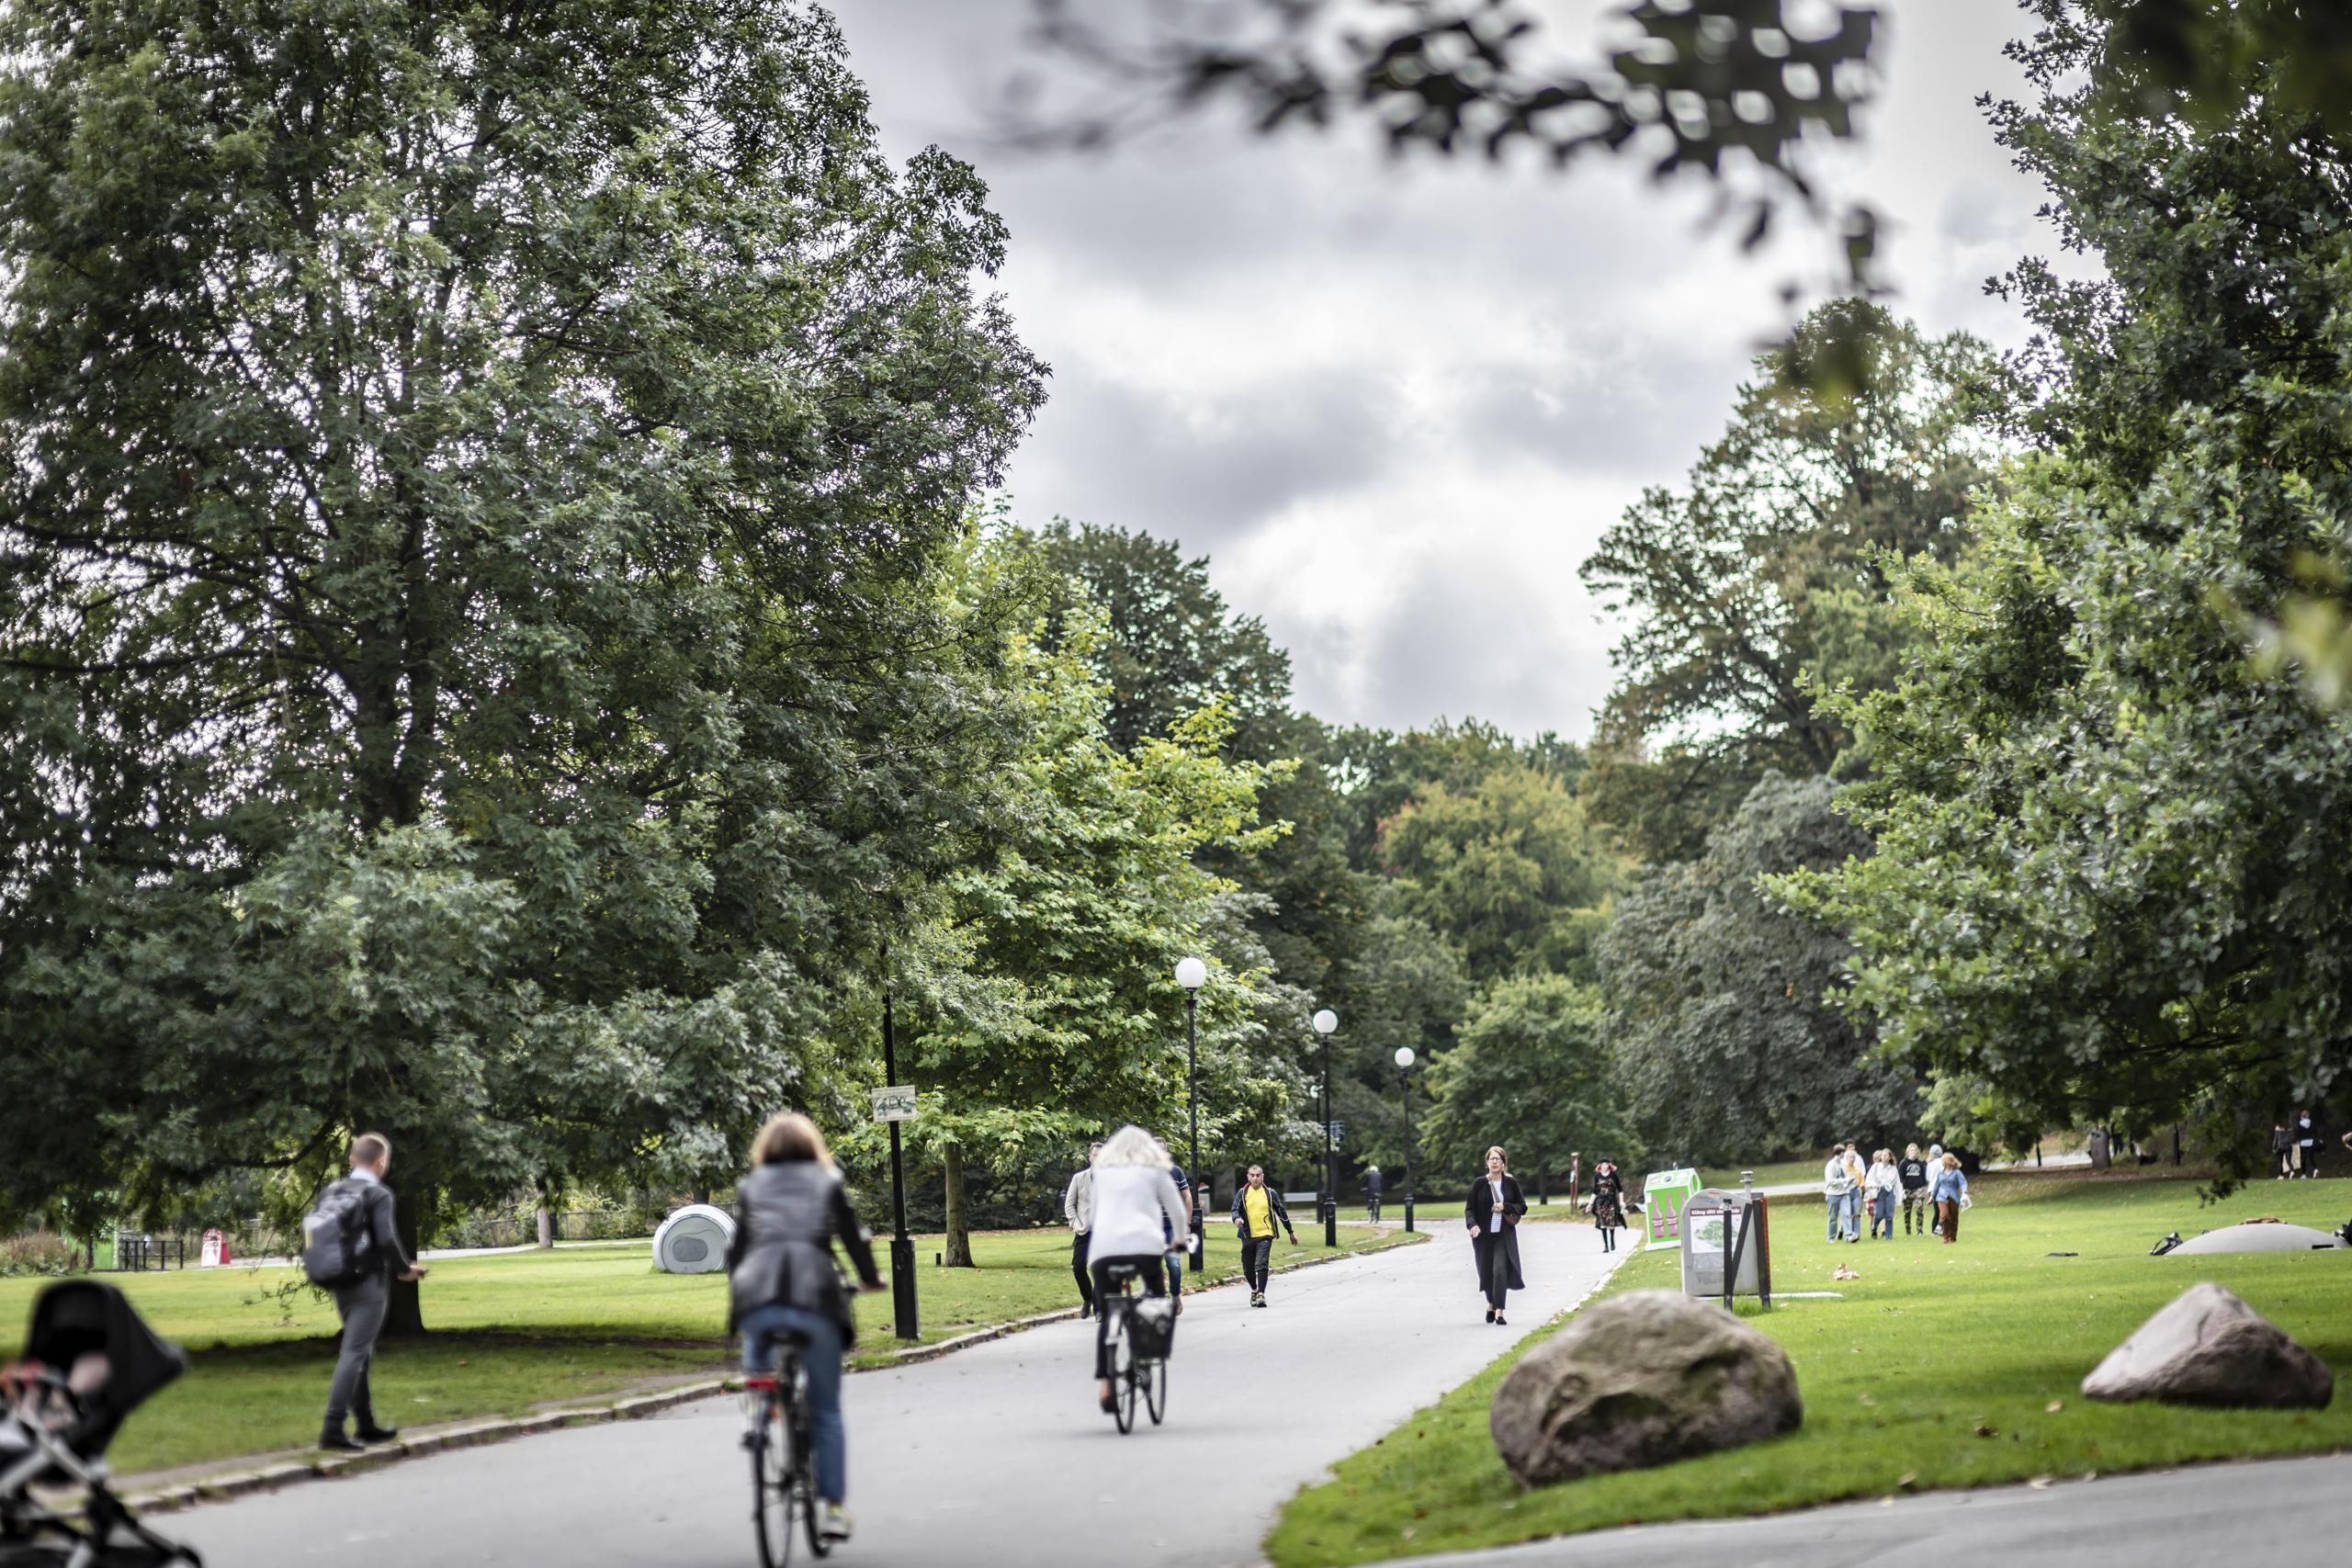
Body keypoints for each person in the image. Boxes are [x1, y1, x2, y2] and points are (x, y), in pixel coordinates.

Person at [725, 1111, 883, 1545]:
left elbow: (736, 1251)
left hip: (759, 1291)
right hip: (816, 1295)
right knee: (826, 1408)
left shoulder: (750, 1186)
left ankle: (759, 1407)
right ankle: (833, 1507)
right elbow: (852, 1238)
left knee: (757, 1344)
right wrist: (869, 1277)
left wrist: (738, 1291)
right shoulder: (827, 1180)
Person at [318, 1133, 428, 1453]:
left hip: (340, 1281)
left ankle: (365, 1425)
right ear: (381, 1162)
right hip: (368, 1284)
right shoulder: (378, 1193)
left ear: (353, 1159)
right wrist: (404, 1269)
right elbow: (386, 1239)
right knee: (354, 1352)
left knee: (361, 1352)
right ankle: (332, 1427)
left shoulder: (332, 1191)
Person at [1086, 1126, 1189, 1411]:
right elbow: (1178, 1210)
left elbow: (1094, 1214)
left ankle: (1106, 1386)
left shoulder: (1103, 1174)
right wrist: (1179, 1241)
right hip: (1145, 1247)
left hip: (1104, 1251)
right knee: (1155, 1297)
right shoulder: (1154, 1170)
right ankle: (1146, 1355)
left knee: (1108, 1314)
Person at [1464, 1146, 1529, 1325]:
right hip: (1483, 1236)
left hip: (1503, 1236)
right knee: (1486, 1272)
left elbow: (1522, 1207)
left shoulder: (1511, 1183)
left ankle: (1499, 1311)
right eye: (1491, 1159)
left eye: (1498, 1159)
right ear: (1487, 1162)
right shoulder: (1479, 1183)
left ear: (1503, 1163)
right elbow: (1469, 1209)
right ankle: (1491, 1304)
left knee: (1499, 1270)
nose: (1494, 1162)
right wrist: (1473, 1225)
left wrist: (1505, 1206)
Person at [1230, 1165, 1296, 1306]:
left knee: (1261, 1263)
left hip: (1266, 1234)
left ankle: (1261, 1294)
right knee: (1248, 1268)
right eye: (1252, 1175)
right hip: (1247, 1235)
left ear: (1262, 1177)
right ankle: (1254, 1290)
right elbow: (1234, 1209)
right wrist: (1236, 1219)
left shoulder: (1270, 1193)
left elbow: (1281, 1212)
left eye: (1258, 1175)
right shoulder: (1242, 1193)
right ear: (1248, 1177)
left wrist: (1290, 1232)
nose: (1255, 1178)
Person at [1064, 1141, 1102, 1316]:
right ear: (1090, 1157)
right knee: (1078, 1267)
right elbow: (1069, 1204)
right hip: (1084, 1231)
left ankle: (1100, 1310)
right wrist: (1076, 1223)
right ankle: (1088, 1298)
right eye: (1095, 1155)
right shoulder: (1079, 1178)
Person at [1160, 1136, 1195, 1314]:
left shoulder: (1176, 1172)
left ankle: (1175, 1295)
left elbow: (1187, 1198)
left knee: (1173, 1264)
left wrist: (1187, 1223)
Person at [1589, 1157, 1627, 1252]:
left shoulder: (1614, 1175)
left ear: (1609, 1165)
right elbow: (1594, 1191)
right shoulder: (1597, 1176)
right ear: (1600, 1166)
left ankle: (1612, 1241)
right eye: (1603, 1164)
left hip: (1611, 1201)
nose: (1604, 1166)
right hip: (1600, 1202)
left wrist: (1621, 1201)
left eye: (1606, 1164)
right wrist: (1590, 1204)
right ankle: (1606, 1246)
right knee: (1603, 1223)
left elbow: (1620, 1189)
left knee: (1611, 1223)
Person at [1821, 1145, 1857, 1244]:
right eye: (1843, 1153)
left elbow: (1846, 1176)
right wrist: (1844, 1181)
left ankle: (1848, 1236)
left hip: (1844, 1193)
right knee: (1833, 1217)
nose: (1844, 1155)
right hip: (1833, 1194)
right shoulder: (1830, 1165)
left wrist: (1850, 1180)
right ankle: (1831, 1237)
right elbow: (1830, 1181)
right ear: (1839, 1153)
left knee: (1846, 1214)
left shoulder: (1843, 1164)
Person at [1930, 1152, 1968, 1245]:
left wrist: (1964, 1192)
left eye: (1943, 1160)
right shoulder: (1940, 1172)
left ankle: (1953, 1236)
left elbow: (1963, 1183)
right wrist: (1932, 1196)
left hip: (1954, 1197)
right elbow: (1937, 1185)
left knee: (1953, 1217)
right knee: (1944, 1216)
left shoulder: (1957, 1173)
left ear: (1948, 1161)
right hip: (1941, 1196)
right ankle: (1946, 1235)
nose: (1942, 1162)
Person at [1864, 1148, 1900, 1239]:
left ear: (1889, 1157)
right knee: (1878, 1214)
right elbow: (1868, 1180)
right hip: (1879, 1192)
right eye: (1882, 1155)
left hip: (1890, 1192)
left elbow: (1897, 1183)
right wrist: (1875, 1185)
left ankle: (1888, 1236)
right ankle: (1874, 1228)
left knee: (1889, 1215)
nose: (1884, 1157)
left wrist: (1899, 1197)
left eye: (1886, 1155)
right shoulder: (1876, 1167)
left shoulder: (1893, 1168)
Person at [1897, 1143, 1931, 1236]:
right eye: (1912, 1150)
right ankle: (1908, 1229)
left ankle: (1919, 1230)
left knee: (1919, 1209)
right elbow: (1900, 1177)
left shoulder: (1920, 1164)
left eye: (1915, 1150)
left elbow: (1924, 1178)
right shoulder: (1903, 1163)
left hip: (1919, 1189)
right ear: (1908, 1152)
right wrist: (1902, 1189)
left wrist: (1926, 1190)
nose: (1914, 1152)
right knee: (1907, 1211)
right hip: (1907, 1189)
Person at [2294, 1111, 2321, 1178]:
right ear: (2308, 1116)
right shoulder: (2311, 1123)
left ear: (2301, 1116)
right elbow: (2315, 1133)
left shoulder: (2299, 1124)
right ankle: (2315, 1169)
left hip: (2303, 1143)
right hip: (2311, 1142)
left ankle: (2303, 1174)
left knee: (2303, 1158)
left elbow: (2298, 1134)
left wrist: (2297, 1140)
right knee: (2311, 1158)